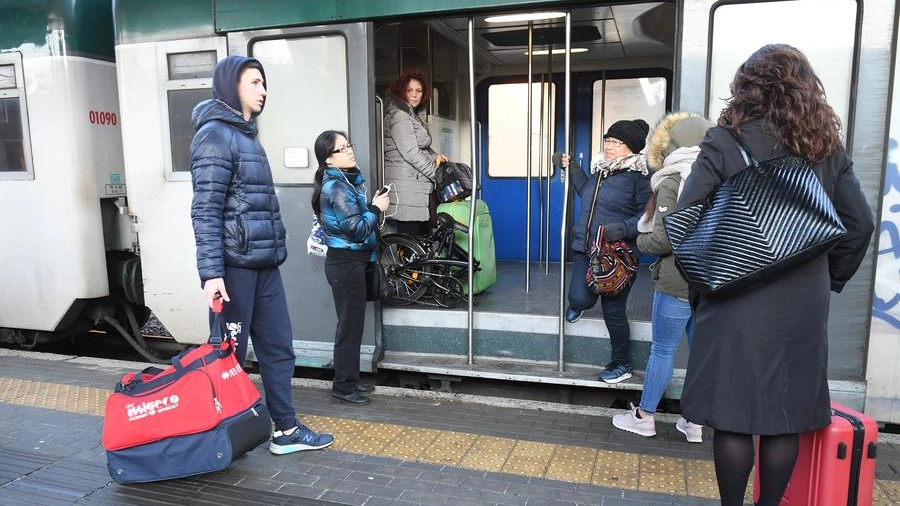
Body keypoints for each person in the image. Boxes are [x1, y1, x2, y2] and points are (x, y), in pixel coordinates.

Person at [676, 44, 874, 506]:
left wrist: (704, 285)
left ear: (745, 88)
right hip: (803, 299)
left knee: (733, 413)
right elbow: (859, 224)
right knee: (785, 413)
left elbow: (686, 219)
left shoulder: (725, 141)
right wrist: (828, 279)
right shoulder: (824, 147)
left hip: (734, 296)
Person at [189, 55, 335, 455]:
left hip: (264, 265)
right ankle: (212, 435)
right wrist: (211, 274)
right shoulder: (215, 135)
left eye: (264, 82)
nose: (263, 90)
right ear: (229, 85)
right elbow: (205, 208)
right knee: (228, 356)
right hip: (234, 269)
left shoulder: (246, 133)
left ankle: (285, 430)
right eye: (254, 82)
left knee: (278, 349)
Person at [611, 112, 713, 442]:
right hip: (708, 283)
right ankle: (694, 422)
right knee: (700, 353)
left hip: (676, 282)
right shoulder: (717, 177)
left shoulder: (674, 180)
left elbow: (664, 240)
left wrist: (637, 241)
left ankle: (644, 416)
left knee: (663, 351)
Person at [556, 119, 652, 384]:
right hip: (586, 246)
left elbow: (648, 214)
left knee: (613, 311)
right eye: (607, 141)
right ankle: (582, 303)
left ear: (631, 147)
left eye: (615, 142)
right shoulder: (602, 171)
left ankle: (622, 364)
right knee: (580, 299)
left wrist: (621, 229)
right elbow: (585, 190)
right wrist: (571, 166)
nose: (608, 146)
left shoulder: (641, 176)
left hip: (617, 254)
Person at [311, 130, 390, 405]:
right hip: (346, 265)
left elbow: (352, 220)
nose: (349, 151)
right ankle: (344, 388)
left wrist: (370, 205)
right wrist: (377, 209)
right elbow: (356, 230)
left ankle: (349, 382)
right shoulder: (338, 186)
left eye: (349, 146)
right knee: (349, 327)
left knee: (352, 326)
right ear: (329, 160)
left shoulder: (345, 181)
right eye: (342, 149)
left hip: (350, 263)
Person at [383, 69, 447, 236]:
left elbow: (422, 147)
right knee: (411, 239)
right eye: (409, 90)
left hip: (415, 184)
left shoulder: (414, 115)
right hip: (406, 186)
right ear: (400, 91)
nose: (414, 95)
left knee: (420, 241)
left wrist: (436, 158)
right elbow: (411, 152)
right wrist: (436, 173)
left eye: (419, 91)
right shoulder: (400, 116)